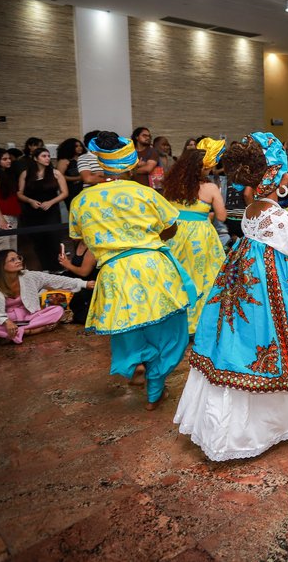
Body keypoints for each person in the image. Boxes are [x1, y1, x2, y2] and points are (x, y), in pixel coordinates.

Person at [174, 132, 288, 460]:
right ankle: (266, 427)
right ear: (278, 178)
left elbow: (279, 234)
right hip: (274, 290)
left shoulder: (254, 209)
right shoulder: (278, 217)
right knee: (279, 346)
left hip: (249, 286)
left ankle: (234, 427)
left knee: (244, 345)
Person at [69, 131, 193, 410]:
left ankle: (137, 362)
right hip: (153, 267)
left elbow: (81, 237)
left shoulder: (81, 201)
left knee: (128, 326)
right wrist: (145, 236)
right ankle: (155, 388)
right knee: (167, 328)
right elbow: (171, 227)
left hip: (114, 270)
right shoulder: (145, 193)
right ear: (131, 164)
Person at [161, 141, 228, 334]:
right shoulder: (210, 188)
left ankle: (174, 323)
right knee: (202, 278)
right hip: (200, 237)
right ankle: (198, 323)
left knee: (176, 277)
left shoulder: (172, 185)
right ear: (202, 168)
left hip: (174, 233)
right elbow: (222, 216)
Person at [0, 250, 91, 344]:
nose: (18, 261)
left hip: (29, 317)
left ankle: (17, 333)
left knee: (58, 310)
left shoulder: (29, 276)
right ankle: (32, 331)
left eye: (18, 258)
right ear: (1, 266)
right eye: (12, 260)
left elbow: (56, 280)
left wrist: (83, 283)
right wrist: (5, 321)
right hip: (7, 320)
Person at [17, 147, 67, 272]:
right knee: (38, 240)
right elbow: (19, 193)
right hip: (33, 212)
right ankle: (44, 267)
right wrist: (30, 201)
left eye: (48, 156)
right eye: (44, 156)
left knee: (53, 238)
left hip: (51, 211)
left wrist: (51, 202)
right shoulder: (26, 174)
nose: (47, 158)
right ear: (35, 158)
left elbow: (65, 193)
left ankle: (57, 267)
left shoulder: (55, 173)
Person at [56, 238, 97, 325]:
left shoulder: (91, 247)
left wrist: (68, 264)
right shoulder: (78, 243)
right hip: (76, 279)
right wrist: (66, 261)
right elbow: (75, 264)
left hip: (88, 284)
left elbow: (84, 272)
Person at [55, 138, 85, 207]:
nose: (79, 148)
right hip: (71, 190)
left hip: (84, 188)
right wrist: (79, 178)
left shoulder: (83, 158)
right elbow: (59, 176)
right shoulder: (64, 161)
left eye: (80, 146)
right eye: (76, 146)